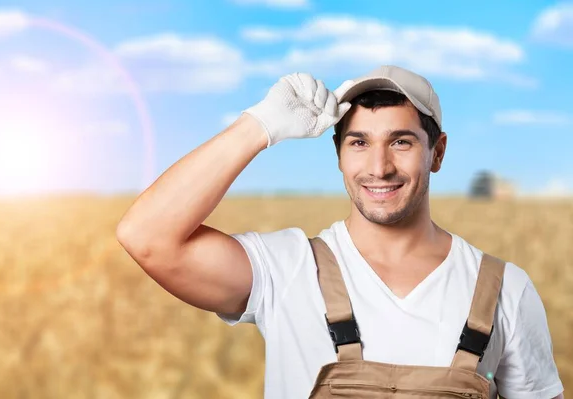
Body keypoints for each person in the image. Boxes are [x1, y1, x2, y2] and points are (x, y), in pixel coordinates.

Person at [116, 65, 565, 399]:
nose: (379, 167)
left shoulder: (505, 290)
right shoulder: (286, 270)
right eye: (359, 142)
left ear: (438, 152)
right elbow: (146, 236)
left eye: (401, 141)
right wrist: (257, 127)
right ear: (339, 155)